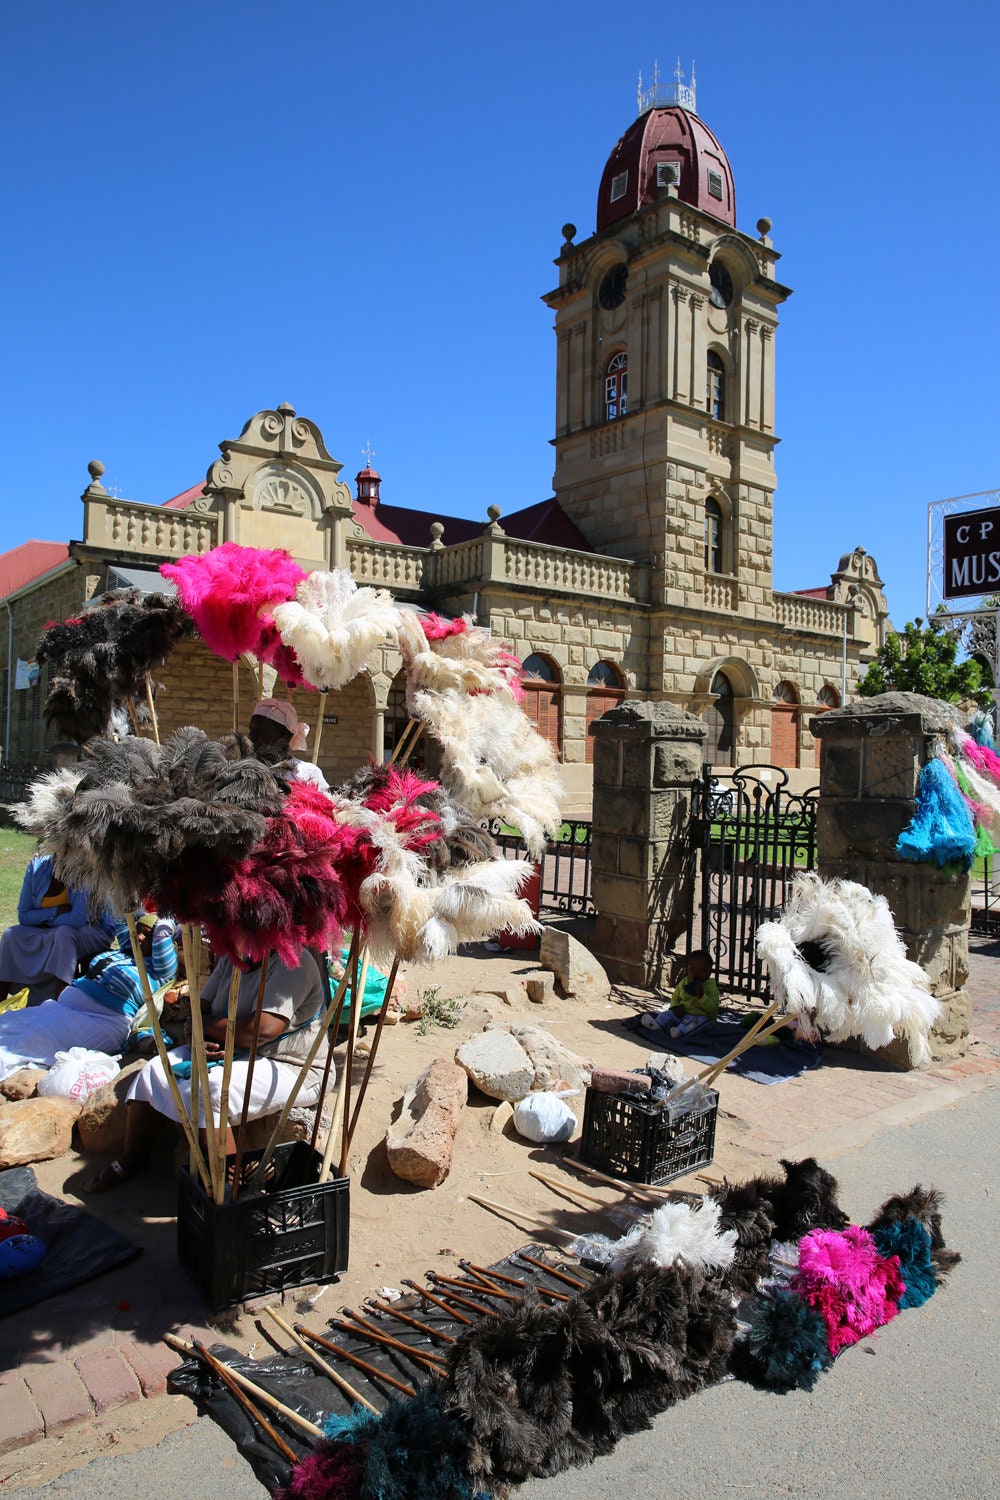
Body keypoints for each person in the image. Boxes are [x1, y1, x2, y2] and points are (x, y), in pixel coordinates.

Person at [85, 946, 331, 1191]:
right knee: (154, 1071)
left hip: (293, 1067)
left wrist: (203, 1025)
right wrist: (198, 1038)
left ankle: (231, 1191)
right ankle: (133, 1159)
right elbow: (199, 1008)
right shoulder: (234, 956)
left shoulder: (293, 960)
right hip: (233, 1051)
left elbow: (260, 1031)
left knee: (209, 1090)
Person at [0, 913, 177, 1081]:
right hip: (64, 1009)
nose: (138, 937)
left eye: (147, 936)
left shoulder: (160, 969)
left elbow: (162, 932)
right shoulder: (126, 950)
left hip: (101, 1021)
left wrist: (167, 912)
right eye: (138, 932)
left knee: (28, 1041)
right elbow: (122, 917)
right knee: (11, 1024)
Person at [0, 855, 114, 1005]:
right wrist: (55, 912)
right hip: (48, 929)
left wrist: (42, 919)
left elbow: (78, 919)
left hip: (90, 929)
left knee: (64, 935)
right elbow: (24, 916)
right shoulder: (36, 867)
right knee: (11, 935)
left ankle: (61, 1004)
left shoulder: (85, 869)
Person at [247, 697, 330, 793]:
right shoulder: (242, 770)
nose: (251, 735)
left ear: (284, 735)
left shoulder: (308, 772)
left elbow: (327, 804)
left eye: (260, 730)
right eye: (251, 729)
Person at [640, 949, 721, 1038]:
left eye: (702, 970)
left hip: (702, 1017)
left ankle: (680, 1031)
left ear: (709, 971)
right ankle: (656, 1024)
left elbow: (713, 1009)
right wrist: (675, 1006)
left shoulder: (710, 986)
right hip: (683, 1013)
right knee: (668, 1014)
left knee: (697, 1022)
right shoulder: (684, 982)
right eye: (693, 968)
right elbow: (676, 996)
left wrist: (701, 996)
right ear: (687, 969)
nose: (696, 972)